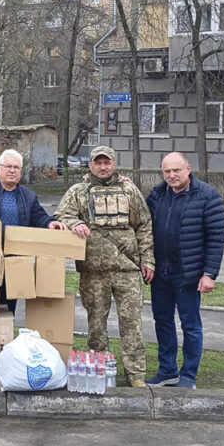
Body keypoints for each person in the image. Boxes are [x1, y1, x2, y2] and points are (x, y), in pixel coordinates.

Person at [54, 146, 154, 388]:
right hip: (93, 272)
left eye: (106, 162)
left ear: (114, 163)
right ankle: (100, 371)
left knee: (131, 324)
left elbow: (144, 225)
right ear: (90, 165)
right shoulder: (78, 191)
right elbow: (60, 216)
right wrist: (75, 222)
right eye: (97, 162)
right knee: (96, 325)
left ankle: (136, 374)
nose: (102, 167)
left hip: (127, 270)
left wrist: (148, 259)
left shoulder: (130, 190)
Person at [145, 152, 224, 389]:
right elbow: (142, 223)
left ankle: (188, 375)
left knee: (190, 326)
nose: (172, 175)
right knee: (162, 321)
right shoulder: (157, 195)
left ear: (188, 169)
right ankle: (167, 370)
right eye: (167, 171)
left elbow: (216, 238)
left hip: (189, 275)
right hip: (160, 273)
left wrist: (209, 273)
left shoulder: (208, 196)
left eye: (176, 170)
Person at [0, 148, 67, 312]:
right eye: (8, 166)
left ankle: (5, 335)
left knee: (8, 308)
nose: (12, 170)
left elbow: (38, 216)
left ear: (20, 172)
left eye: (16, 167)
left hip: (14, 260)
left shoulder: (28, 196)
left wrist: (50, 223)